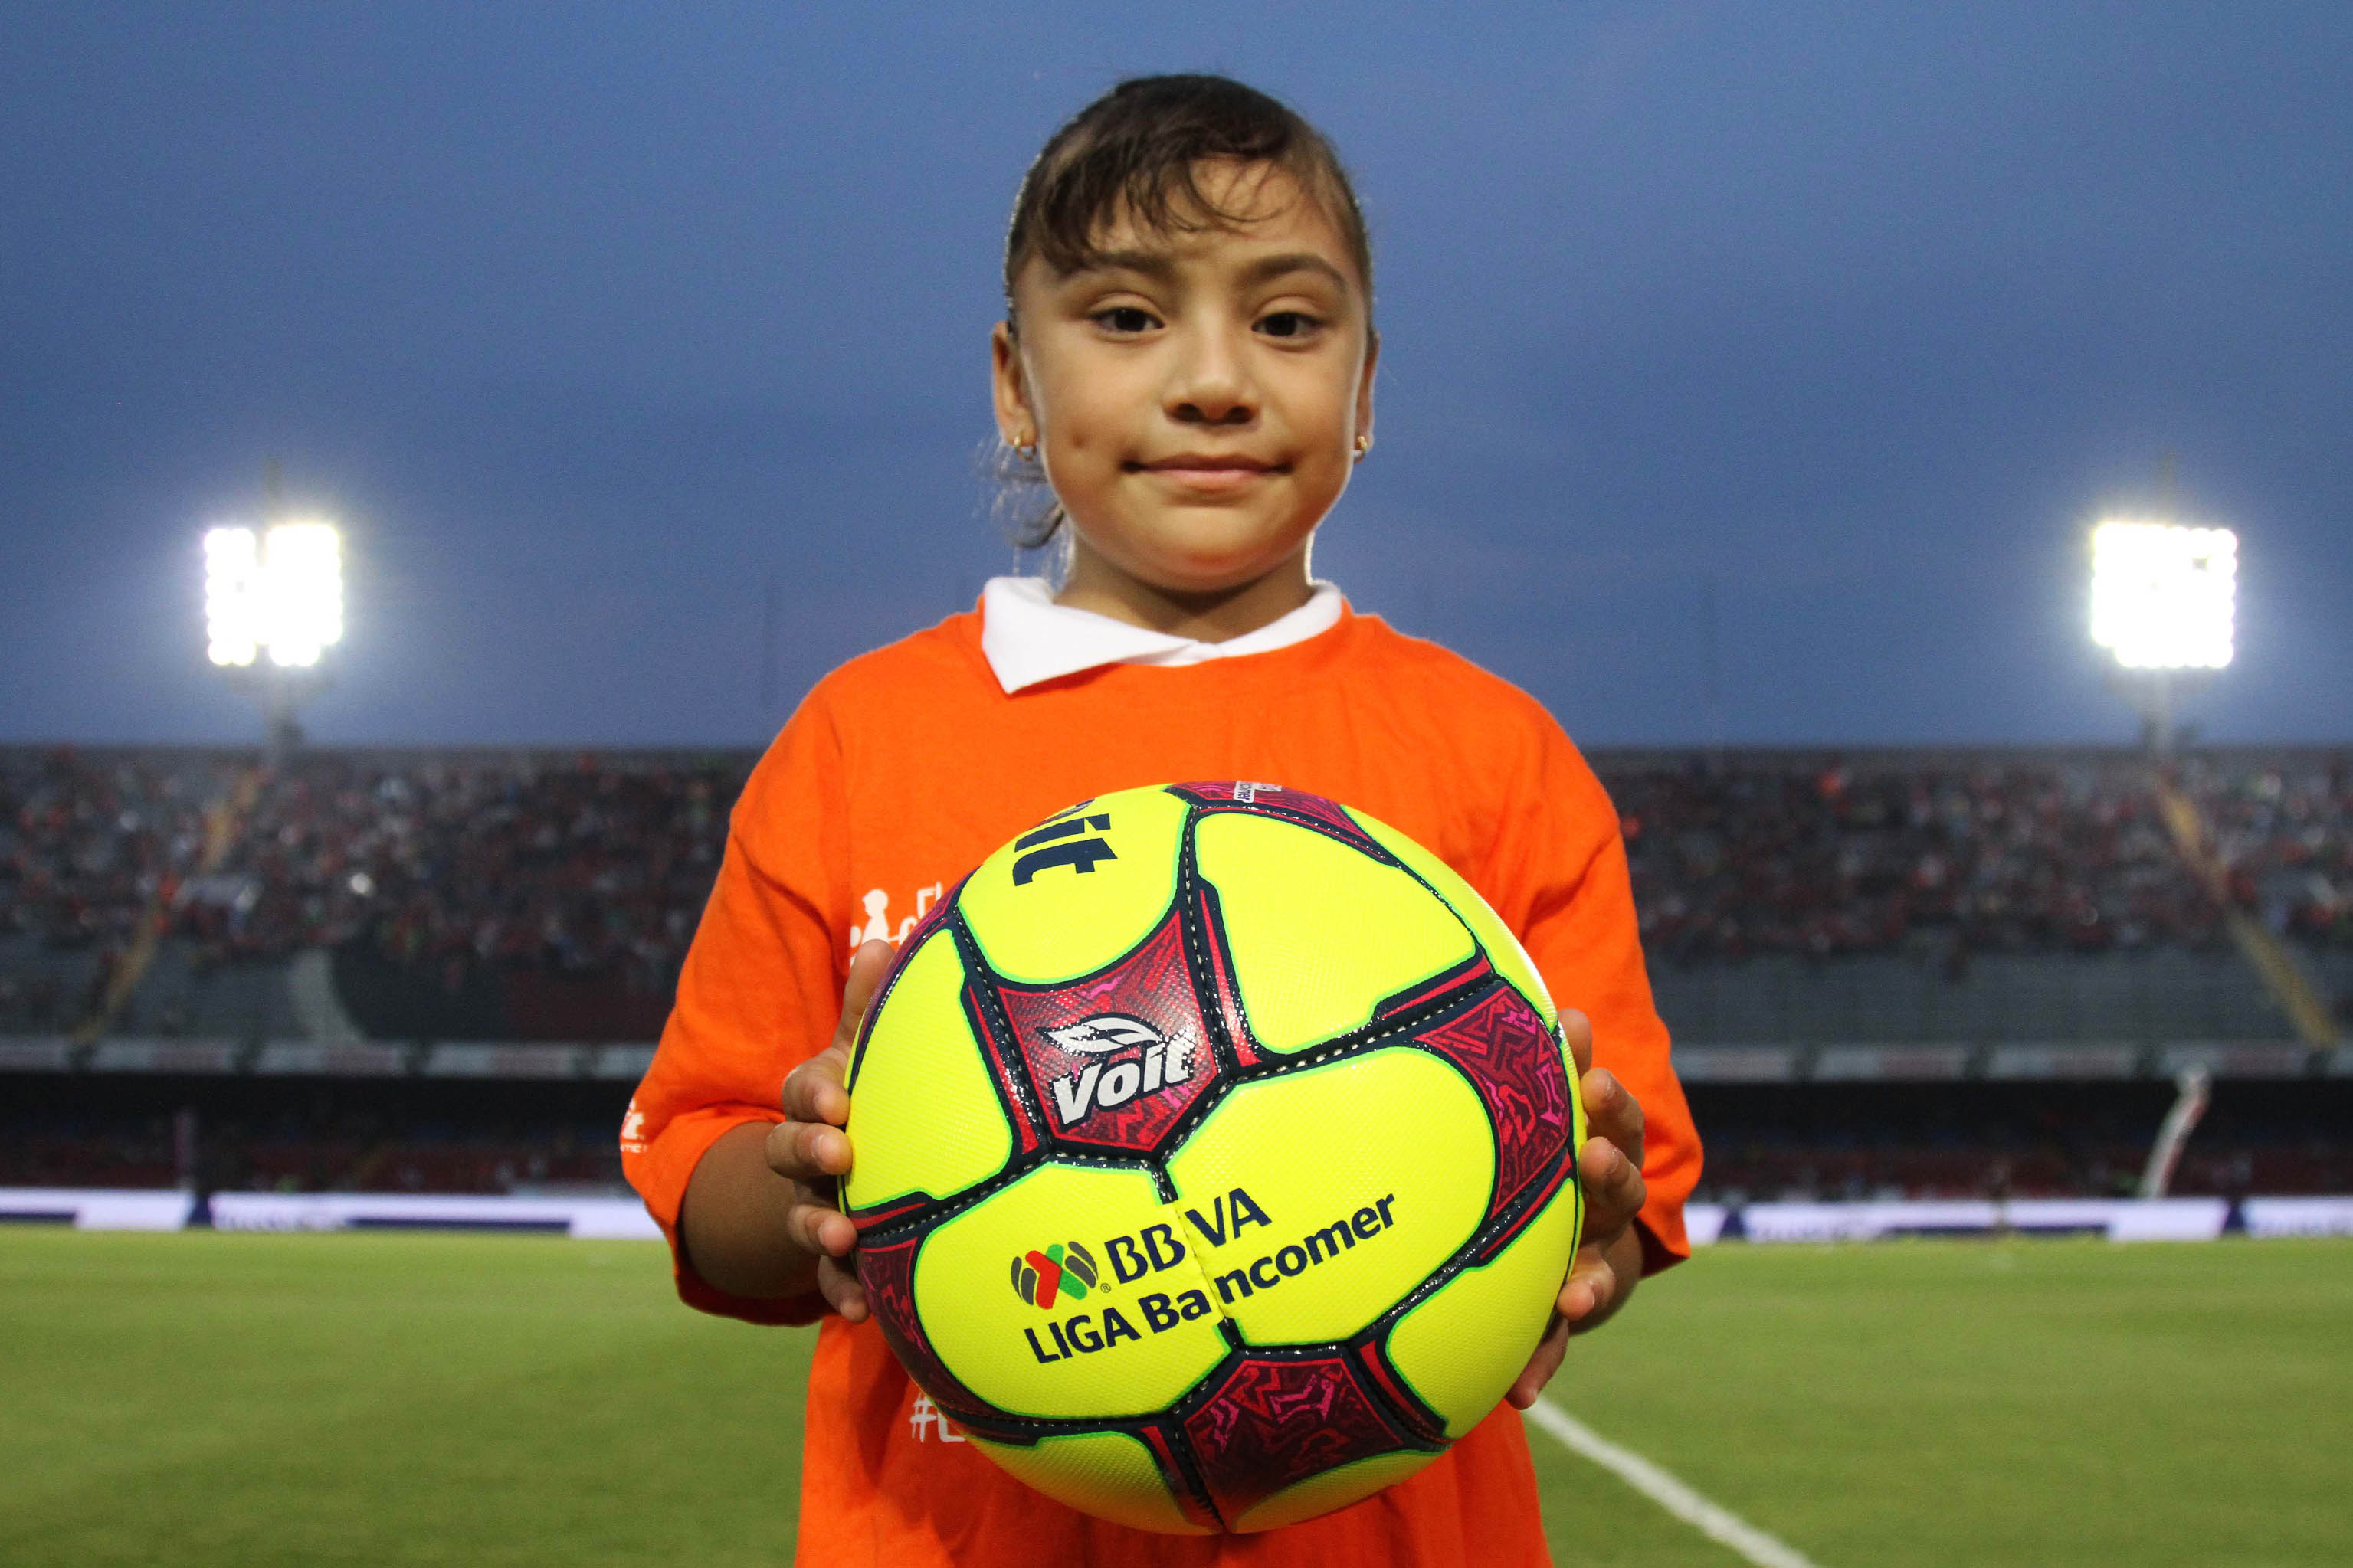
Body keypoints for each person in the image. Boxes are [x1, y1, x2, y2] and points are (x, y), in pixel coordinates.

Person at [622, 74, 1701, 1566]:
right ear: (1015, 383)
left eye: (1289, 322)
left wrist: (1585, 1219)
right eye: (1128, 317)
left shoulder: (1495, 757)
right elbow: (699, 1179)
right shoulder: (859, 742)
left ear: (1367, 390)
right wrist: (809, 1179)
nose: (1214, 381)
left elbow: (1622, 1211)